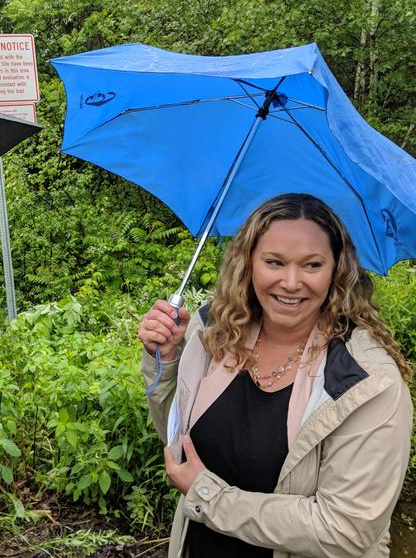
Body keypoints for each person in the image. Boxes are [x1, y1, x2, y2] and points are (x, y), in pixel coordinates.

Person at [138, 193, 413, 558]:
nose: (291, 281)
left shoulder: (366, 383)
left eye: (312, 265)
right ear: (248, 263)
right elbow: (178, 443)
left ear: (336, 271)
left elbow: (346, 529)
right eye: (274, 262)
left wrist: (210, 497)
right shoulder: (215, 334)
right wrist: (166, 358)